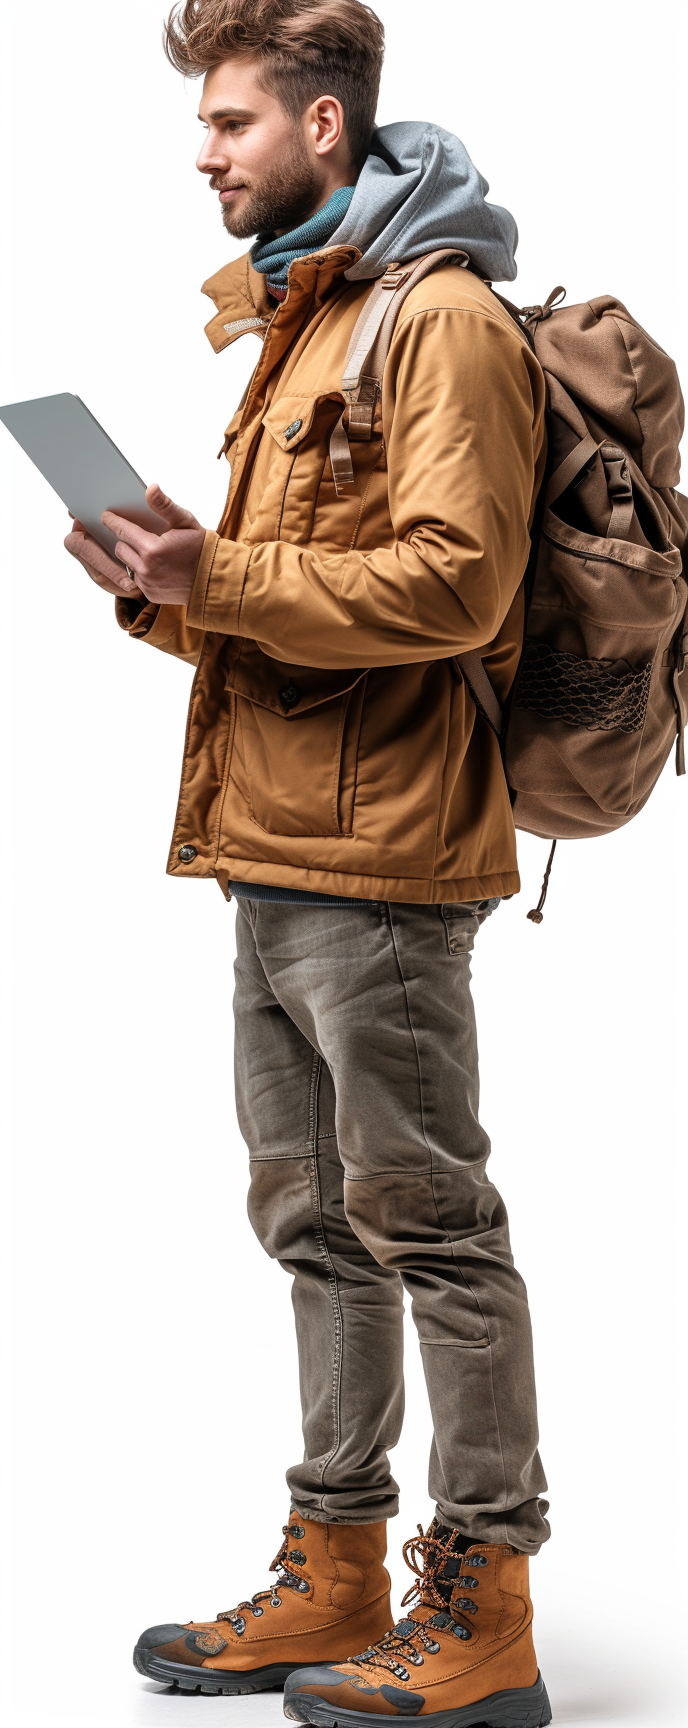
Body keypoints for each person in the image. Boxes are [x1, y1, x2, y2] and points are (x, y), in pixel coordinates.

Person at [65, 3, 552, 1721]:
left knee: (429, 1224)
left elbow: (456, 591)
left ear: (327, 126)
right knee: (315, 1228)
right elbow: (284, 607)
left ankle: (483, 1598)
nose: (204, 155)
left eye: (229, 124)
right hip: (273, 855)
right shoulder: (312, 313)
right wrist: (159, 587)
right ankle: (335, 1564)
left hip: (392, 867)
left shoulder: (447, 324)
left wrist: (230, 583)